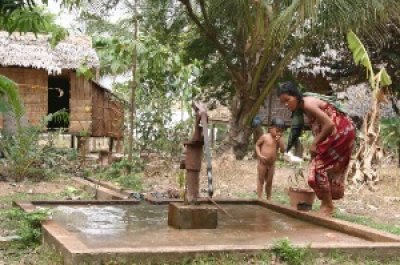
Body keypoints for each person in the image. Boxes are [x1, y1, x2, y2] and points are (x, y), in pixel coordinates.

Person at [277, 81, 356, 216]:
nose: (286, 105)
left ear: (295, 96)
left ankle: (328, 206)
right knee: (320, 168)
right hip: (341, 132)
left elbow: (329, 124)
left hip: (340, 132)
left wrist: (315, 143)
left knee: (317, 169)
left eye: (287, 100)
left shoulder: (307, 103)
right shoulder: (302, 107)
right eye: (283, 102)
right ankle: (327, 204)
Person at [255, 117, 285, 200]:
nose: (279, 133)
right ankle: (259, 197)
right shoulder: (265, 137)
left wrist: (280, 140)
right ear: (270, 129)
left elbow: (282, 150)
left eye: (281, 131)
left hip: (271, 164)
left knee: (269, 181)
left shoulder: (279, 140)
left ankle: (269, 197)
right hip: (262, 162)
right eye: (277, 130)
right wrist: (259, 155)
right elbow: (257, 145)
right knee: (260, 180)